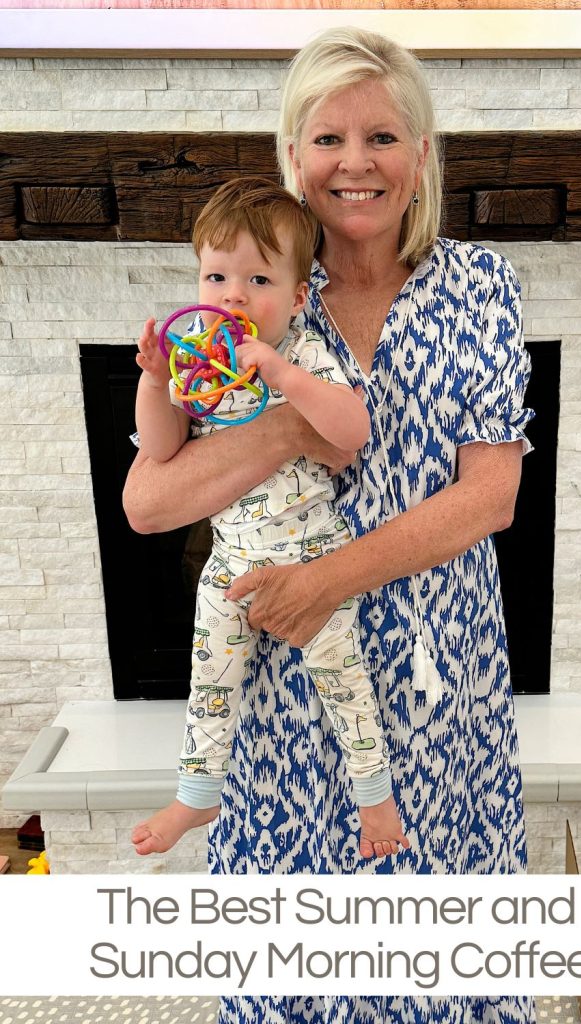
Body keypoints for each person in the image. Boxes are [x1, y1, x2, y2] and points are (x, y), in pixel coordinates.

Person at [123, 25, 536, 1024]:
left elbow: (491, 494)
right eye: (327, 139)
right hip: (277, 676)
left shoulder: (476, 285)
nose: (354, 162)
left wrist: (329, 577)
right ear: (291, 155)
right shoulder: (243, 309)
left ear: (421, 155)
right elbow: (147, 503)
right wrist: (275, 429)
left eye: (382, 136)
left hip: (438, 675)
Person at [130, 177, 409, 861]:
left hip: (311, 556)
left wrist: (281, 374)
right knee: (210, 685)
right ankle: (197, 796)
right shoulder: (200, 361)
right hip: (230, 561)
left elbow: (352, 431)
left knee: (344, 682)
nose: (232, 295)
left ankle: (375, 800)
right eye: (216, 275)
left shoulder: (305, 354)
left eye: (256, 278)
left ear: (296, 298)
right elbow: (161, 449)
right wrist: (153, 379)